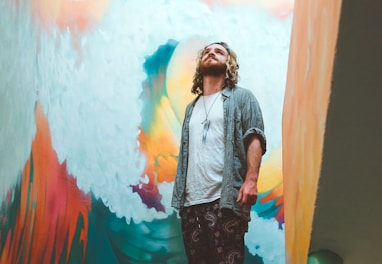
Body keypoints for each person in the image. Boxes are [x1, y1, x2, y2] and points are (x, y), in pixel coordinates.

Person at [171, 42, 266, 264]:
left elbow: (255, 136)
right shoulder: (191, 108)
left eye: (219, 52)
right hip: (191, 205)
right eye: (206, 51)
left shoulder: (242, 97)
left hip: (224, 201)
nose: (211, 53)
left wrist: (251, 180)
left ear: (229, 63)